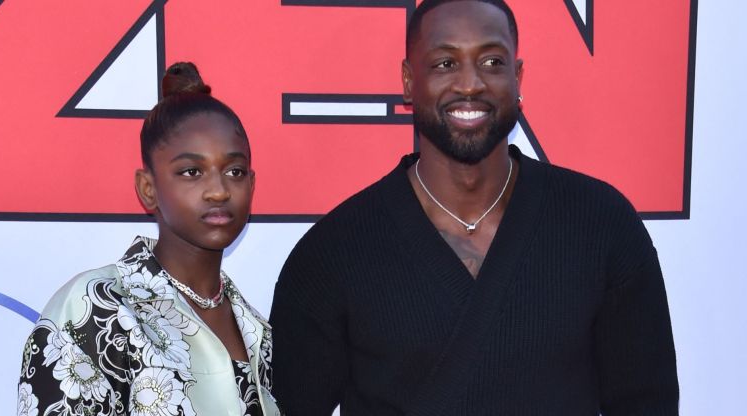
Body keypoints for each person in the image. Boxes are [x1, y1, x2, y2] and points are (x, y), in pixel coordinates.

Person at [268, 0, 679, 414]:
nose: (470, 84)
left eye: (492, 62)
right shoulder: (333, 254)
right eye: (446, 63)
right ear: (409, 81)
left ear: (517, 78)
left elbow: (648, 402)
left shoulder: (602, 226)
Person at [17, 62, 280, 416]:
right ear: (148, 188)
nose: (218, 191)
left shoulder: (258, 330)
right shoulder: (94, 311)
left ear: (251, 184)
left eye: (234, 171)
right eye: (192, 172)